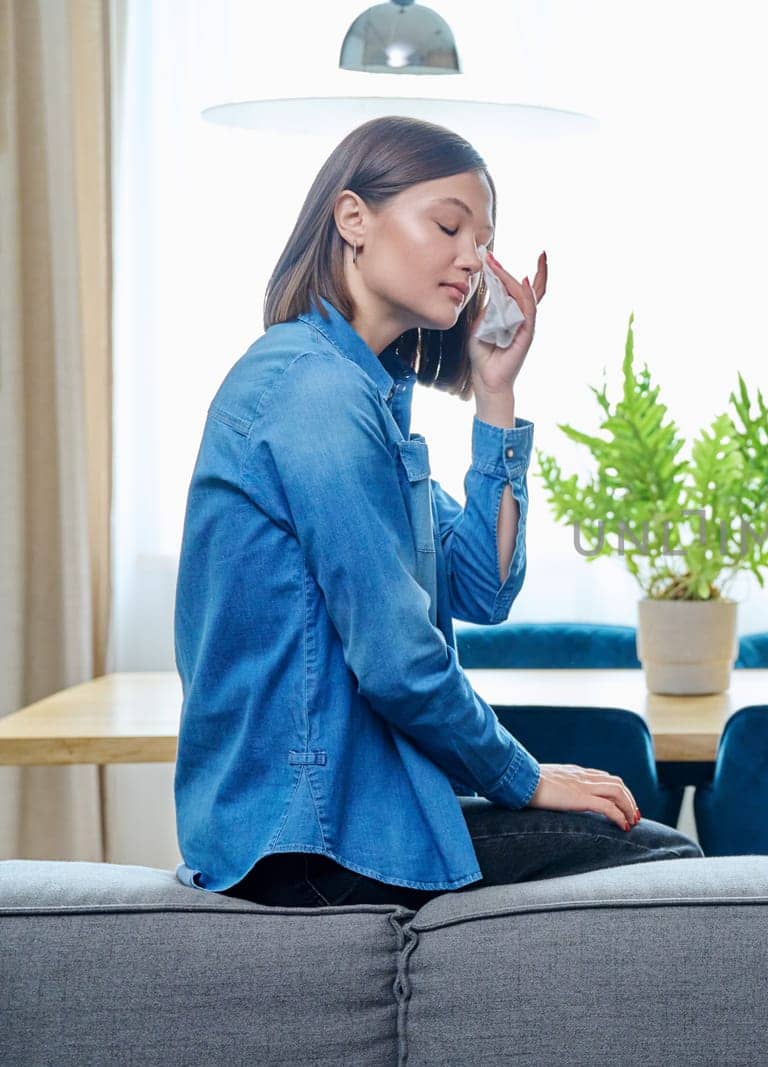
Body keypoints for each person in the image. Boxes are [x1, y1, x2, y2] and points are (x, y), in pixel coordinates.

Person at [172, 116, 700, 910]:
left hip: (345, 817)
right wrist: (523, 778)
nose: (473, 259)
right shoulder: (313, 394)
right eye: (449, 225)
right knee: (672, 865)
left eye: (483, 240)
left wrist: (495, 394)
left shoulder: (366, 396)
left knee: (658, 855)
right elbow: (397, 658)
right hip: (311, 835)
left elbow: (483, 589)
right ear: (354, 219)